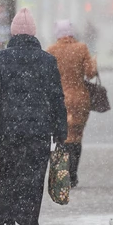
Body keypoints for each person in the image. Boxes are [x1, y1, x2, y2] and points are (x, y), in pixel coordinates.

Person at [0, 8, 67, 225]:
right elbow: (57, 99)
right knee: (34, 182)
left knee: (9, 180)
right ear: (34, 33)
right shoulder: (47, 61)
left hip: (10, 133)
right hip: (39, 133)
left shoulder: (1, 59)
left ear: (13, 33)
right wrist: (61, 132)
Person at [47, 20, 98, 188]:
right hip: (79, 99)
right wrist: (94, 62)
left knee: (62, 138)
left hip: (58, 101)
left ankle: (63, 173)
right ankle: (73, 174)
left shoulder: (51, 51)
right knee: (76, 137)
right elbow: (90, 74)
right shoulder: (81, 48)